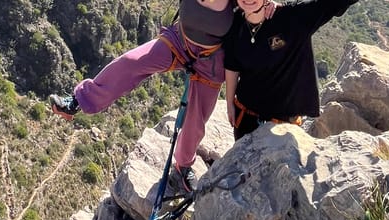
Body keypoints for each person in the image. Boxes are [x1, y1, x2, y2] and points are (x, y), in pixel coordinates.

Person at [49, 0, 275, 193]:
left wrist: (268, 4)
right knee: (130, 62)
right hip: (178, 42)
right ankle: (79, 100)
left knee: (196, 120)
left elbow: (254, 6)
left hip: (211, 61)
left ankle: (183, 166)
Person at [224, 0, 359, 141]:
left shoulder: (292, 18)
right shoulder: (236, 22)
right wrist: (229, 103)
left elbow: (332, 4)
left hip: (282, 125)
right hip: (245, 116)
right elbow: (232, 66)